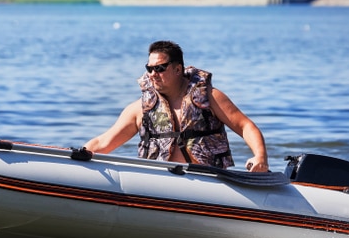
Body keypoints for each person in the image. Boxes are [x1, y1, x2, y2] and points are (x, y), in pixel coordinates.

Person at [83, 40, 269, 172]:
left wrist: (260, 157)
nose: (153, 74)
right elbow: (103, 142)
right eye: (149, 69)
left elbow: (246, 126)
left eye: (160, 68)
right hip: (159, 182)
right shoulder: (140, 109)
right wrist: (76, 155)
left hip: (207, 183)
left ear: (178, 69)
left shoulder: (209, 97)